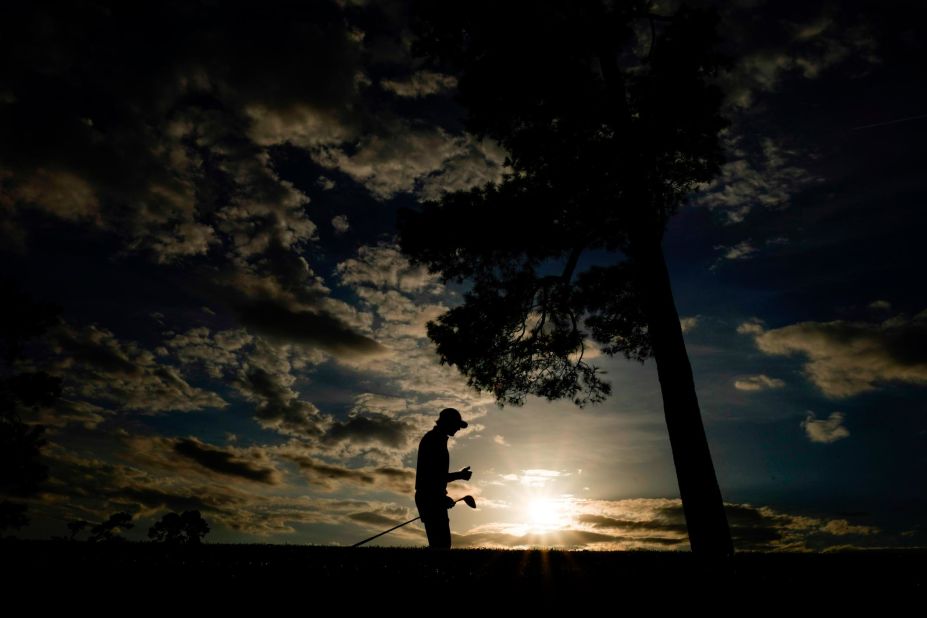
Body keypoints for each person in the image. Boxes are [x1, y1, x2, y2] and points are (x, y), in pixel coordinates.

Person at [414, 407, 472, 549]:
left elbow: (437, 475)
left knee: (440, 545)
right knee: (441, 546)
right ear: (448, 423)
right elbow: (431, 476)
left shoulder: (436, 439)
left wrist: (460, 475)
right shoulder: (434, 441)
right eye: (457, 425)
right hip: (430, 497)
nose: (458, 429)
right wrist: (439, 497)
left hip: (430, 496)